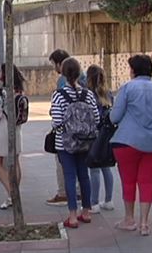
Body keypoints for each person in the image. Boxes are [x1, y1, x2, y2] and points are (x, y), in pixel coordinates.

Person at [110, 54, 152, 236]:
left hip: (127, 140)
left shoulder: (127, 88)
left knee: (129, 180)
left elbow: (114, 117)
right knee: (147, 180)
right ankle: (144, 223)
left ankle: (129, 219)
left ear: (133, 70)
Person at [50, 57, 99, 228]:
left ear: (63, 73)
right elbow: (96, 118)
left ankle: (72, 216)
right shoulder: (88, 94)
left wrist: (68, 131)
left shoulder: (58, 95)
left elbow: (56, 121)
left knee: (69, 177)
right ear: (79, 73)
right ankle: (86, 212)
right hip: (85, 143)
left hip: (65, 144)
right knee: (84, 176)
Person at [46, 49, 87, 206]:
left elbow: (57, 118)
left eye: (54, 64)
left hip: (65, 135)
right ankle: (84, 201)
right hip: (83, 133)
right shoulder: (83, 82)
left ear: (60, 64)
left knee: (65, 168)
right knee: (83, 172)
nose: (54, 68)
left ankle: (65, 196)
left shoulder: (62, 82)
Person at [0, 63, 26, 209]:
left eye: (0, 70)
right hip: (16, 128)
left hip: (2, 129)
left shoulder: (1, 92)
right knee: (15, 161)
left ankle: (12, 193)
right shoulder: (19, 91)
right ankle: (15, 193)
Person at [85, 64, 115, 214]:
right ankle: (109, 200)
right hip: (107, 135)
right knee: (106, 168)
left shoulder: (88, 95)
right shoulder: (108, 95)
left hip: (94, 135)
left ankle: (94, 202)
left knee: (94, 169)